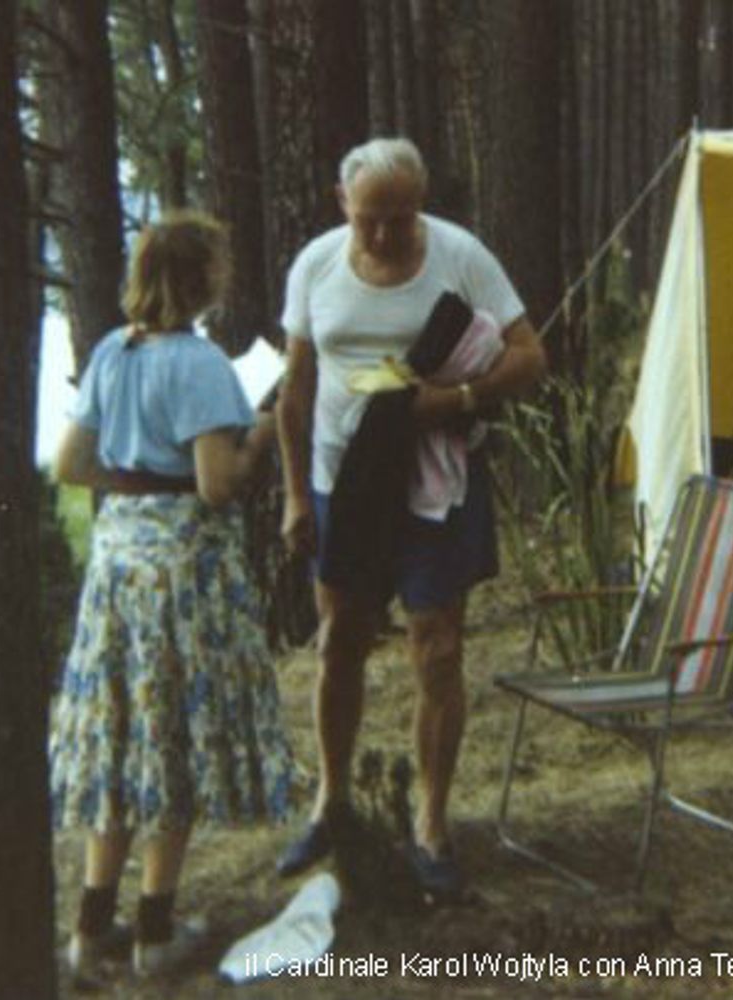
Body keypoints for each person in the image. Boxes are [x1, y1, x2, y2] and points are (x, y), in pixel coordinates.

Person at [274, 137, 546, 897]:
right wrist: (297, 495)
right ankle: (331, 801)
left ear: (421, 203)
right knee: (341, 641)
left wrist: (455, 402)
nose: (387, 234)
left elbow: (531, 356)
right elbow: (295, 393)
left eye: (401, 216)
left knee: (438, 649)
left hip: (434, 484)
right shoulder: (317, 265)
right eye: (370, 220)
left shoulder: (461, 256)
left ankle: (431, 822)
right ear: (342, 205)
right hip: (343, 482)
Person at [49, 210, 292, 979]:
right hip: (182, 576)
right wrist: (262, 426)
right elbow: (218, 486)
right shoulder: (199, 363)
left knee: (123, 740)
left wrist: (135, 477)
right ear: (205, 280)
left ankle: (91, 929)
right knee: (171, 743)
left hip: (118, 566)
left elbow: (70, 464)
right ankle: (155, 931)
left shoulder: (111, 352)